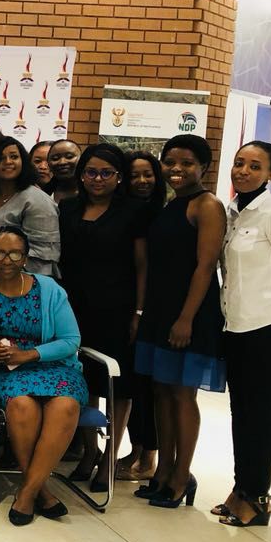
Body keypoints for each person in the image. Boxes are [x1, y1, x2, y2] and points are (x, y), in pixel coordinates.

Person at [0, 225, 86, 525]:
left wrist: (29, 354)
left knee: (66, 405)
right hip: (6, 369)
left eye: (15, 253)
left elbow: (71, 339)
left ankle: (27, 493)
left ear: (26, 257)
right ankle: (41, 490)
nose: (7, 260)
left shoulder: (50, 289)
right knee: (21, 406)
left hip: (54, 366)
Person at [134, 134, 225, 509]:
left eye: (186, 163)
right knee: (162, 391)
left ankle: (181, 475)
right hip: (161, 309)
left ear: (203, 167)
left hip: (190, 313)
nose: (176, 169)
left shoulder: (207, 205)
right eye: (170, 161)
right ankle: (163, 471)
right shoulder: (172, 205)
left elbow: (205, 267)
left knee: (183, 394)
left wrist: (186, 318)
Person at [57, 143, 148, 493]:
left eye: (106, 173)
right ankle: (89, 450)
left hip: (118, 308)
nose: (98, 179)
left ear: (119, 177)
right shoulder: (69, 207)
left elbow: (142, 266)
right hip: (74, 308)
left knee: (117, 384)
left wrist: (139, 311)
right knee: (83, 379)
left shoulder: (133, 211)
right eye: (91, 172)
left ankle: (110, 456)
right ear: (82, 175)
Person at [217, 141, 271, 527]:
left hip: (264, 328)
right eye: (239, 163)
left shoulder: (269, 212)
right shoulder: (233, 211)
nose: (243, 171)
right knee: (242, 412)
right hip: (235, 325)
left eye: (255, 166)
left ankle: (257, 498)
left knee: (260, 415)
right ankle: (241, 489)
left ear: (270, 174)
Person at [119, 151, 166, 480]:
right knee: (134, 384)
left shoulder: (159, 213)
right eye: (134, 175)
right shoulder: (127, 210)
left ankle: (148, 457)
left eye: (147, 174)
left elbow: (145, 266)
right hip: (129, 305)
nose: (141, 181)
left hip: (152, 308)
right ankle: (136, 451)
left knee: (148, 387)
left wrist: (140, 310)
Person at [0, 135, 60, 276]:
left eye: (14, 157)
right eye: (0, 158)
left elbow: (41, 259)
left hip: (17, 282)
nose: (8, 162)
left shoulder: (37, 200)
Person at [47, 139, 82, 203]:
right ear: (48, 163)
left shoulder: (94, 193)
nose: (62, 162)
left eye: (69, 157)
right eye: (55, 158)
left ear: (82, 159)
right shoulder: (42, 194)